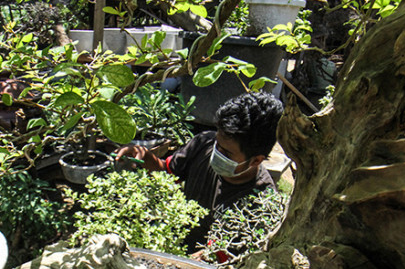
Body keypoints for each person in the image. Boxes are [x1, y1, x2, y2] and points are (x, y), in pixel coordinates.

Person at [116, 91, 284, 253]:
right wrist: (145, 157)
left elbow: (233, 257)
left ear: (256, 160)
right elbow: (167, 172)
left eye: (226, 153)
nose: (216, 151)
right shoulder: (205, 143)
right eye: (217, 143)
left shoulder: (261, 203)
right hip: (174, 242)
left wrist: (206, 255)